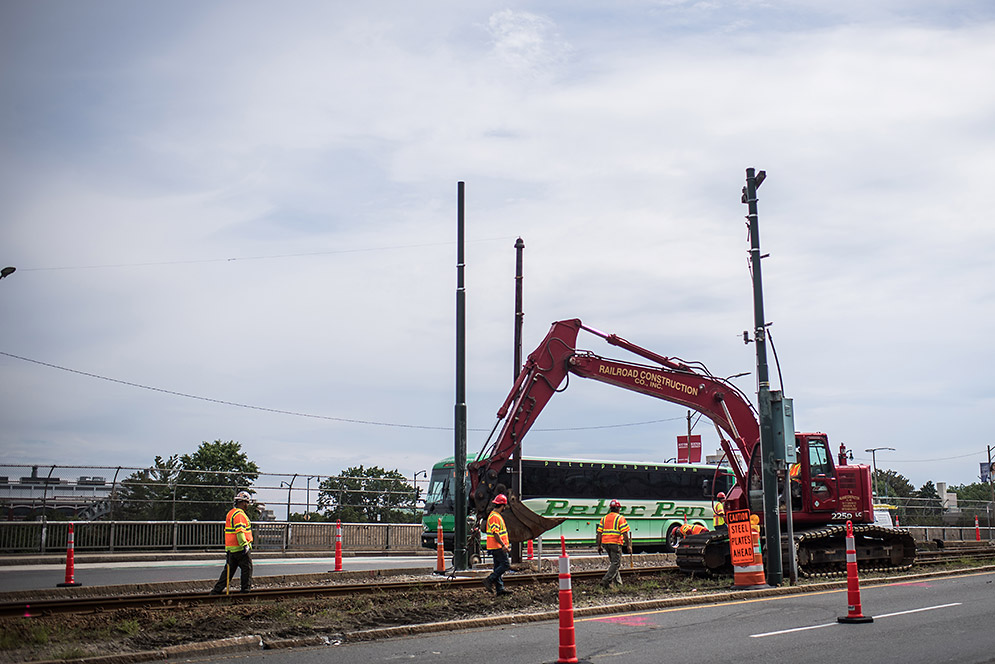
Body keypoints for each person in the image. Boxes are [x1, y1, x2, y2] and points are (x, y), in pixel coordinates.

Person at [211, 490, 254, 594]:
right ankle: (245, 591)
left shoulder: (231, 513)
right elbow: (240, 531)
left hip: (231, 549)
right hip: (240, 548)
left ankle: (215, 592)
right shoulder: (240, 515)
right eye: (247, 502)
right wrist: (245, 545)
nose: (247, 505)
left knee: (228, 572)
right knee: (247, 569)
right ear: (243, 502)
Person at [596, 499, 632, 588]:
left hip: (605, 543)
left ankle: (619, 584)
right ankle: (605, 580)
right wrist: (628, 545)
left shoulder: (604, 518)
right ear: (618, 509)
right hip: (615, 543)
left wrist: (599, 546)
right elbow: (625, 533)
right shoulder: (620, 518)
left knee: (614, 563)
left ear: (610, 509)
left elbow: (599, 533)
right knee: (616, 563)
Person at [483, 494, 513, 596]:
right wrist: (503, 545)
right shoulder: (495, 517)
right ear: (502, 506)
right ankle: (489, 579)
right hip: (497, 546)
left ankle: (500, 589)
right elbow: (496, 533)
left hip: (494, 546)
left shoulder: (494, 515)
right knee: (505, 565)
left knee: (498, 567)